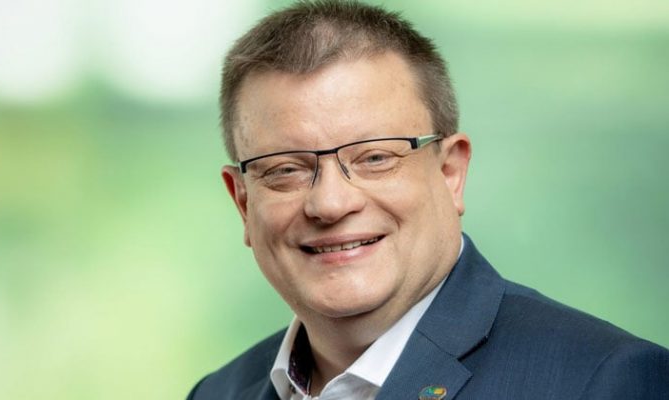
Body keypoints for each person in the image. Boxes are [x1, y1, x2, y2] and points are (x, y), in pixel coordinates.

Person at [188, 1, 669, 399]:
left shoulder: (607, 381)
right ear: (243, 203)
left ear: (450, 172)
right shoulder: (216, 392)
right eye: (285, 170)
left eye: (375, 158)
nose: (331, 204)